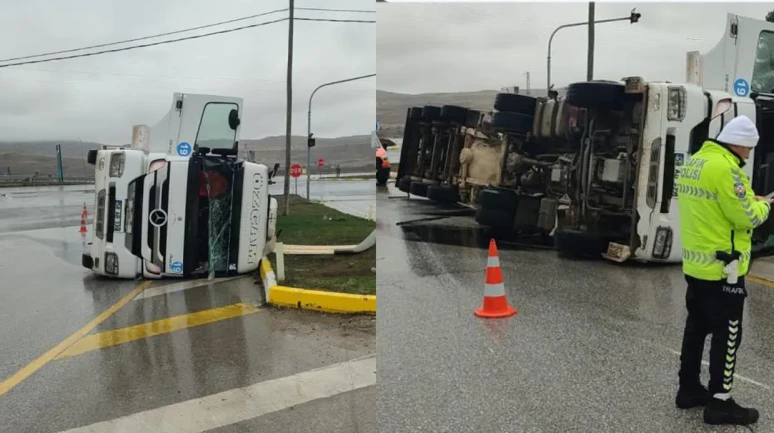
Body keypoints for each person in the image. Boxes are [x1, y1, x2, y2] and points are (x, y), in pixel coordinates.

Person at [675, 115, 770, 426]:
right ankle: (720, 401)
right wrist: (764, 205)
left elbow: (714, 205)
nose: (748, 156)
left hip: (697, 264)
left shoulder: (696, 161)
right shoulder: (727, 169)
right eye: (748, 149)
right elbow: (747, 217)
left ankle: (688, 388)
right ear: (738, 144)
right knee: (728, 333)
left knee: (696, 327)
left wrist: (746, 200)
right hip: (724, 268)